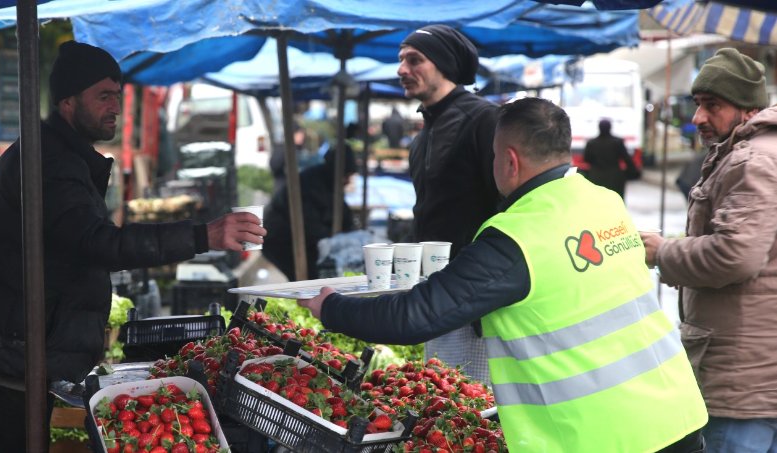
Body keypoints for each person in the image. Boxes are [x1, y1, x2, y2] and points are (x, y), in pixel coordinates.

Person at [299, 97, 707, 453]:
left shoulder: (517, 237)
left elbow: (415, 316)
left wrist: (330, 307)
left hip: (603, 438)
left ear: (509, 160)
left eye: (493, 156)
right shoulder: (604, 201)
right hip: (676, 416)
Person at [0, 41, 265, 453]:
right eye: (104, 96)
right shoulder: (49, 163)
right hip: (4, 351)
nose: (116, 106)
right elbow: (99, 243)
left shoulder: (61, 154)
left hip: (12, 345)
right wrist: (204, 235)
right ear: (68, 102)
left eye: (118, 95)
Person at [642, 48, 777, 452]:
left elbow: (735, 254)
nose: (698, 118)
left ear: (748, 109)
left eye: (712, 106)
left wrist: (663, 252)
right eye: (698, 104)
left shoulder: (751, 162)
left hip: (742, 381)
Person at [397, 24, 500, 383]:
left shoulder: (484, 120)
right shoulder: (425, 132)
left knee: (478, 409)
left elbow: (508, 207)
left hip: (477, 301)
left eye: (414, 59)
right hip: (437, 292)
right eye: (401, 60)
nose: (402, 70)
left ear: (444, 64)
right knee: (448, 402)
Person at [262, 144, 357, 281]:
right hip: (281, 240)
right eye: (346, 175)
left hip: (303, 241)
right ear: (336, 171)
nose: (348, 181)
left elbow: (344, 215)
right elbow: (311, 227)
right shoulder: (311, 185)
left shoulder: (330, 183)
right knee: (309, 280)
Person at [583, 118, 638, 198]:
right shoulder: (618, 142)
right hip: (615, 178)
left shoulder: (591, 143)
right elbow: (627, 159)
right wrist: (633, 172)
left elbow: (586, 159)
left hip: (595, 177)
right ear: (610, 128)